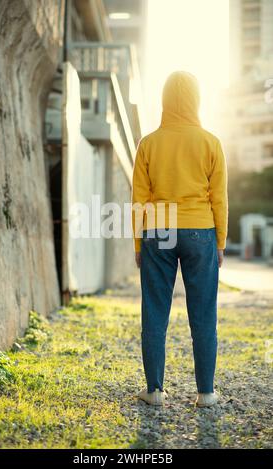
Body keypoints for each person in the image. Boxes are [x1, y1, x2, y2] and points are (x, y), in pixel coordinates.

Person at [131, 71, 228, 408]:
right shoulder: (210, 142)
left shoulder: (149, 143)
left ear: (165, 100)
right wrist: (220, 242)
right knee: (203, 311)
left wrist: (138, 244)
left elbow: (139, 199)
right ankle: (206, 393)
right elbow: (219, 199)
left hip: (158, 228)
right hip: (201, 229)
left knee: (155, 310)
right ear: (196, 100)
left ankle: (155, 391)